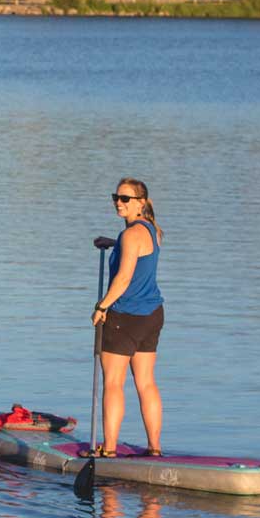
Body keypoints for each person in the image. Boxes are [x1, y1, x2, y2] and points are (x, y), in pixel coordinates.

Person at [91, 178, 163, 457]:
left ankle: (108, 450)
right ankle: (154, 449)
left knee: (113, 383)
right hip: (152, 316)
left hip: (125, 317)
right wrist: (114, 244)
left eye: (125, 199)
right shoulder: (152, 231)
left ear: (141, 203)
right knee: (146, 382)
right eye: (116, 197)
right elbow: (137, 256)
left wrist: (102, 307)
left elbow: (123, 279)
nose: (118, 203)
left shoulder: (130, 236)